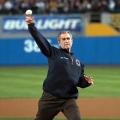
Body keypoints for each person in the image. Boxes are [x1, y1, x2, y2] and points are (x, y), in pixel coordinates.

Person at [25, 15, 93, 120]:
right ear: (59, 42)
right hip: (50, 98)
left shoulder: (78, 63)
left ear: (72, 41)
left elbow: (79, 81)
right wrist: (31, 25)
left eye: (68, 38)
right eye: (63, 39)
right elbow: (40, 40)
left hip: (68, 99)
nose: (66, 40)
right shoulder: (53, 52)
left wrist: (86, 82)